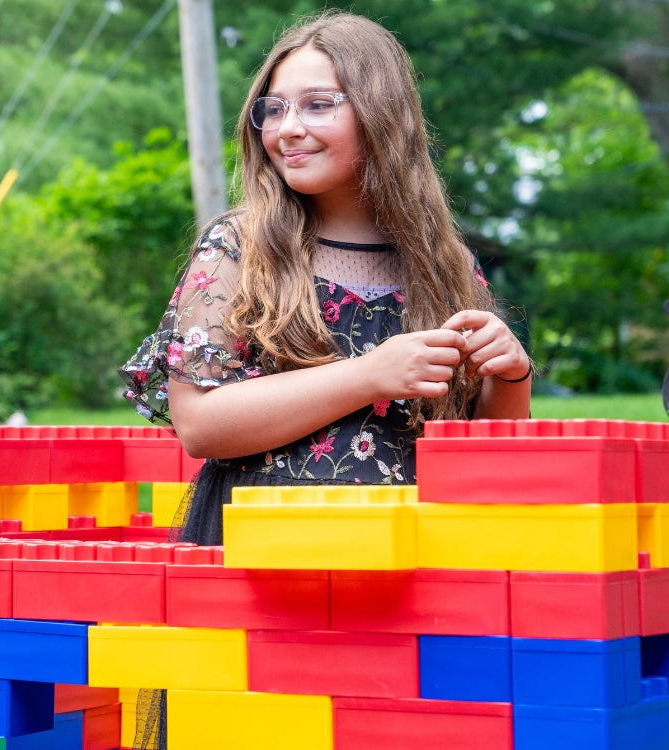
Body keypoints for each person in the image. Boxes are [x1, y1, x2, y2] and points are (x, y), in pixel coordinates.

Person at [120, 10, 532, 549]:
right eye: (275, 108)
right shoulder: (242, 248)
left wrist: (511, 377)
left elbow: (482, 451)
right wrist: (370, 376)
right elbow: (199, 424)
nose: (289, 128)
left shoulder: (443, 262)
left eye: (318, 105)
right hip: (262, 557)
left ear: (383, 115)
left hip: (411, 560)